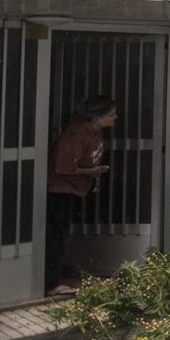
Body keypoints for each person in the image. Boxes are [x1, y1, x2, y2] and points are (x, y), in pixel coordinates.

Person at [45, 96, 115, 296]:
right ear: (96, 117)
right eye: (110, 114)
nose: (115, 117)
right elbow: (62, 167)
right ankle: (51, 283)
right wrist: (90, 172)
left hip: (74, 189)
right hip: (59, 189)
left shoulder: (94, 131)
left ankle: (56, 275)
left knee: (60, 234)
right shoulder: (76, 134)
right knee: (55, 236)